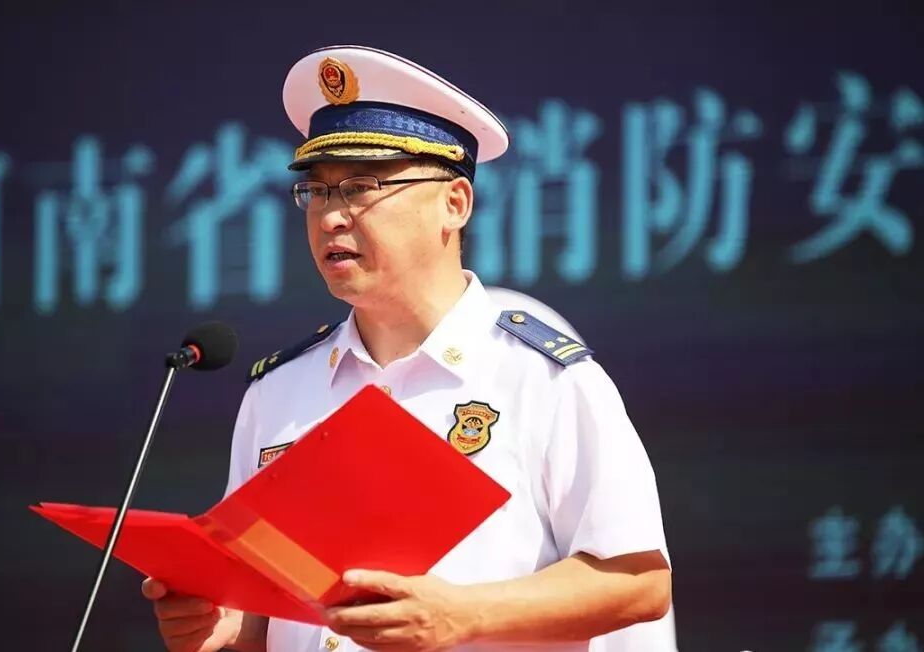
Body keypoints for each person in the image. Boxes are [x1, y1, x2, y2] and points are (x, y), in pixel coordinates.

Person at [142, 45, 672, 652]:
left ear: (455, 203)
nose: (331, 217)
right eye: (316, 192)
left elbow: (638, 582)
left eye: (360, 187)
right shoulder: (278, 393)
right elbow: (263, 616)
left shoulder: (540, 377)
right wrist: (220, 626)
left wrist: (463, 616)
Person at [483, 286, 678, 652]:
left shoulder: (540, 371)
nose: (337, 224)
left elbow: (634, 581)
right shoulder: (352, 367)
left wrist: (455, 614)